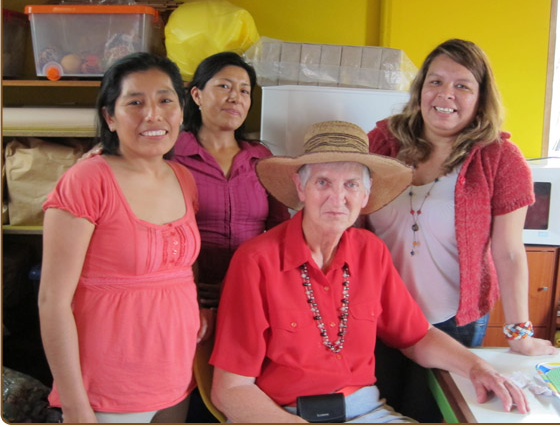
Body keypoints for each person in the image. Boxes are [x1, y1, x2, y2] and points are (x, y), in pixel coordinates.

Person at [209, 120, 530, 423]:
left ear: (365, 195)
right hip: (281, 416)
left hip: (368, 412)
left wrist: (477, 368)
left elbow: (416, 337)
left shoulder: (371, 251)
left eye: (351, 184)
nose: (338, 198)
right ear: (300, 187)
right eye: (323, 183)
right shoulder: (256, 260)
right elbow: (231, 390)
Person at [366, 38, 557, 421]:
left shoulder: (500, 158)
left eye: (462, 85)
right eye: (435, 82)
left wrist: (520, 334)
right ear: (420, 89)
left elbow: (508, 252)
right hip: (376, 316)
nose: (445, 94)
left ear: (480, 97)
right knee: (377, 412)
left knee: (432, 413)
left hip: (451, 321)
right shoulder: (381, 143)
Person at [38, 52, 206, 423]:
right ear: (110, 117)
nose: (153, 115)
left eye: (165, 100)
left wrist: (193, 311)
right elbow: (52, 302)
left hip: (175, 375)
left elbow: (180, 267)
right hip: (108, 390)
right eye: (135, 102)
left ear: (181, 112)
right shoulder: (86, 181)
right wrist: (74, 403)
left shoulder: (183, 178)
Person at [172, 51, 290, 311]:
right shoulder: (171, 155)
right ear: (196, 95)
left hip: (251, 288)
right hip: (185, 291)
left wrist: (240, 279)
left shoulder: (260, 159)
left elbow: (282, 230)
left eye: (244, 90)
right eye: (224, 86)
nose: (235, 97)